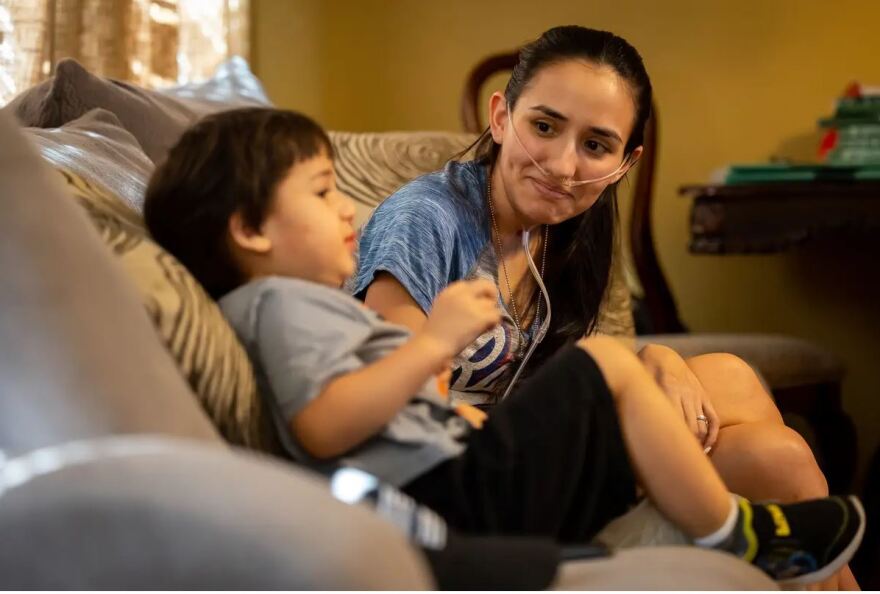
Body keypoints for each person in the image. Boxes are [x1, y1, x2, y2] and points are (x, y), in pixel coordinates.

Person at [143, 106, 864, 587]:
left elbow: (393, 416)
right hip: (449, 498)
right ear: (251, 230)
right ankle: (735, 534)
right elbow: (323, 422)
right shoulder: (277, 304)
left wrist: (458, 408)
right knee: (608, 366)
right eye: (323, 193)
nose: (348, 210)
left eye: (599, 145)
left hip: (460, 472)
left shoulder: (304, 305)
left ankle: (754, 534)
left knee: (716, 389)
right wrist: (435, 344)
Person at [350, 25, 860, 589]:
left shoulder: (570, 229)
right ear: (500, 117)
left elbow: (558, 378)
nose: (564, 166)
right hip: (465, 471)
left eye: (595, 145)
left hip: (537, 448)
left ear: (625, 160)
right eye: (543, 127)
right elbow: (397, 401)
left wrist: (653, 358)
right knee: (778, 460)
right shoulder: (425, 218)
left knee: (753, 412)